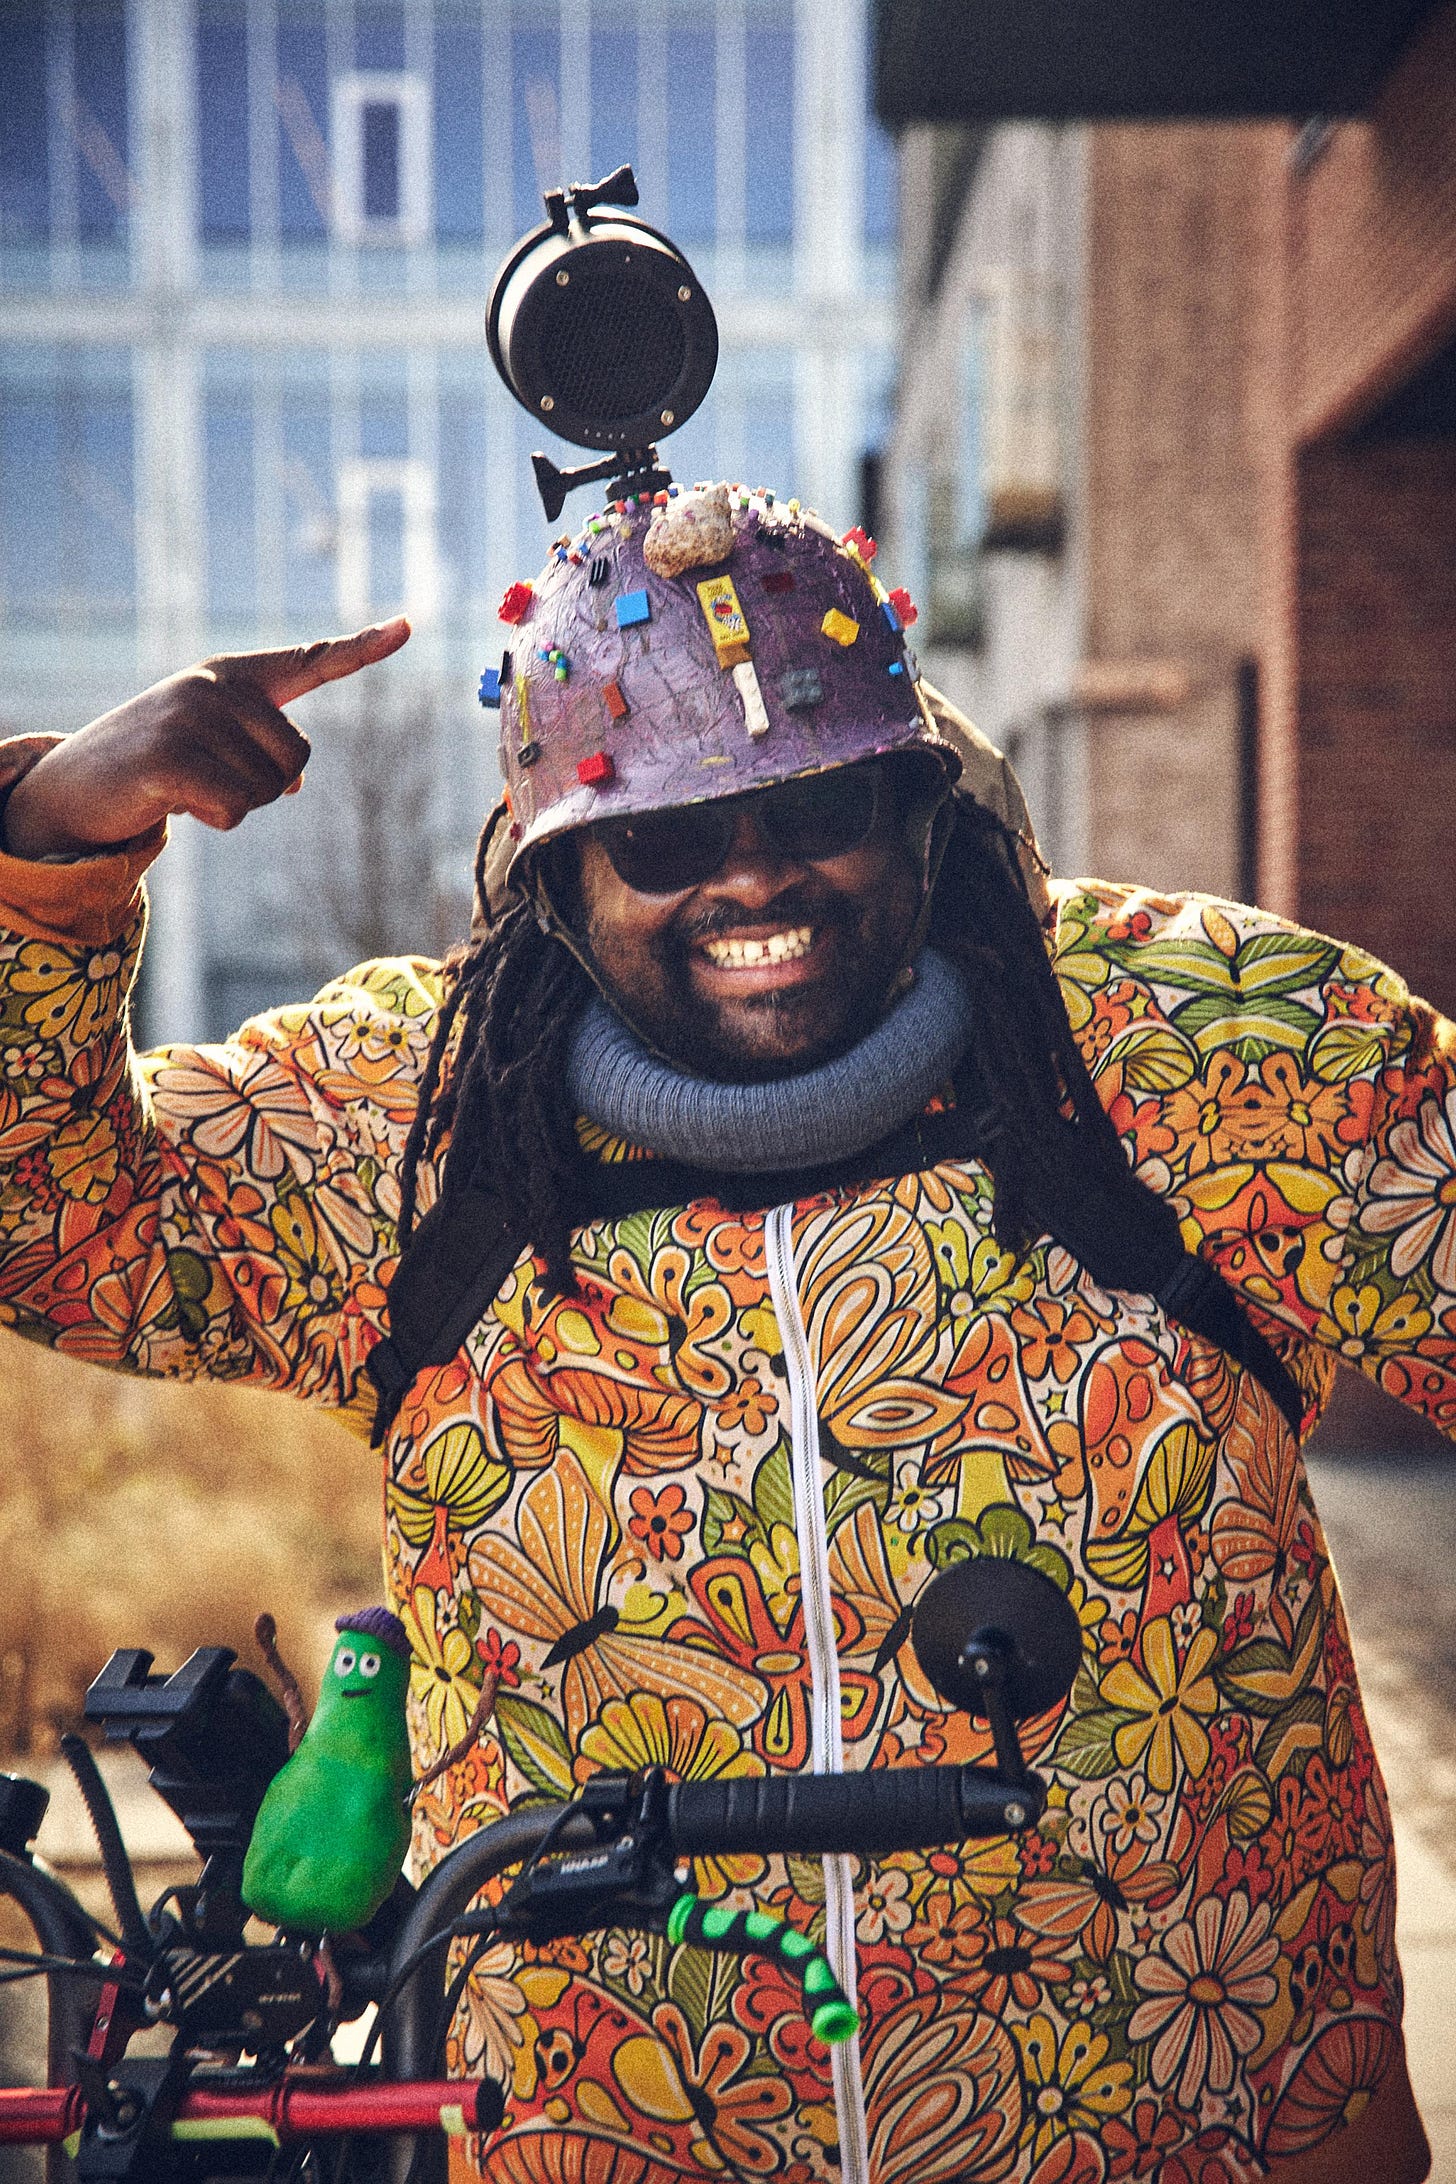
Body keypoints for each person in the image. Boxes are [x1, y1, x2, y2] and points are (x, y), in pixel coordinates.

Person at [0, 482, 1448, 2184]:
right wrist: (46, 853)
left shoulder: (1198, 1054)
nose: (753, 875)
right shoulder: (411, 1123)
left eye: (819, 804)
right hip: (605, 2131)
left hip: (1200, 2124)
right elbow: (59, 1229)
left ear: (920, 805)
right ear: (552, 876)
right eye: (665, 838)